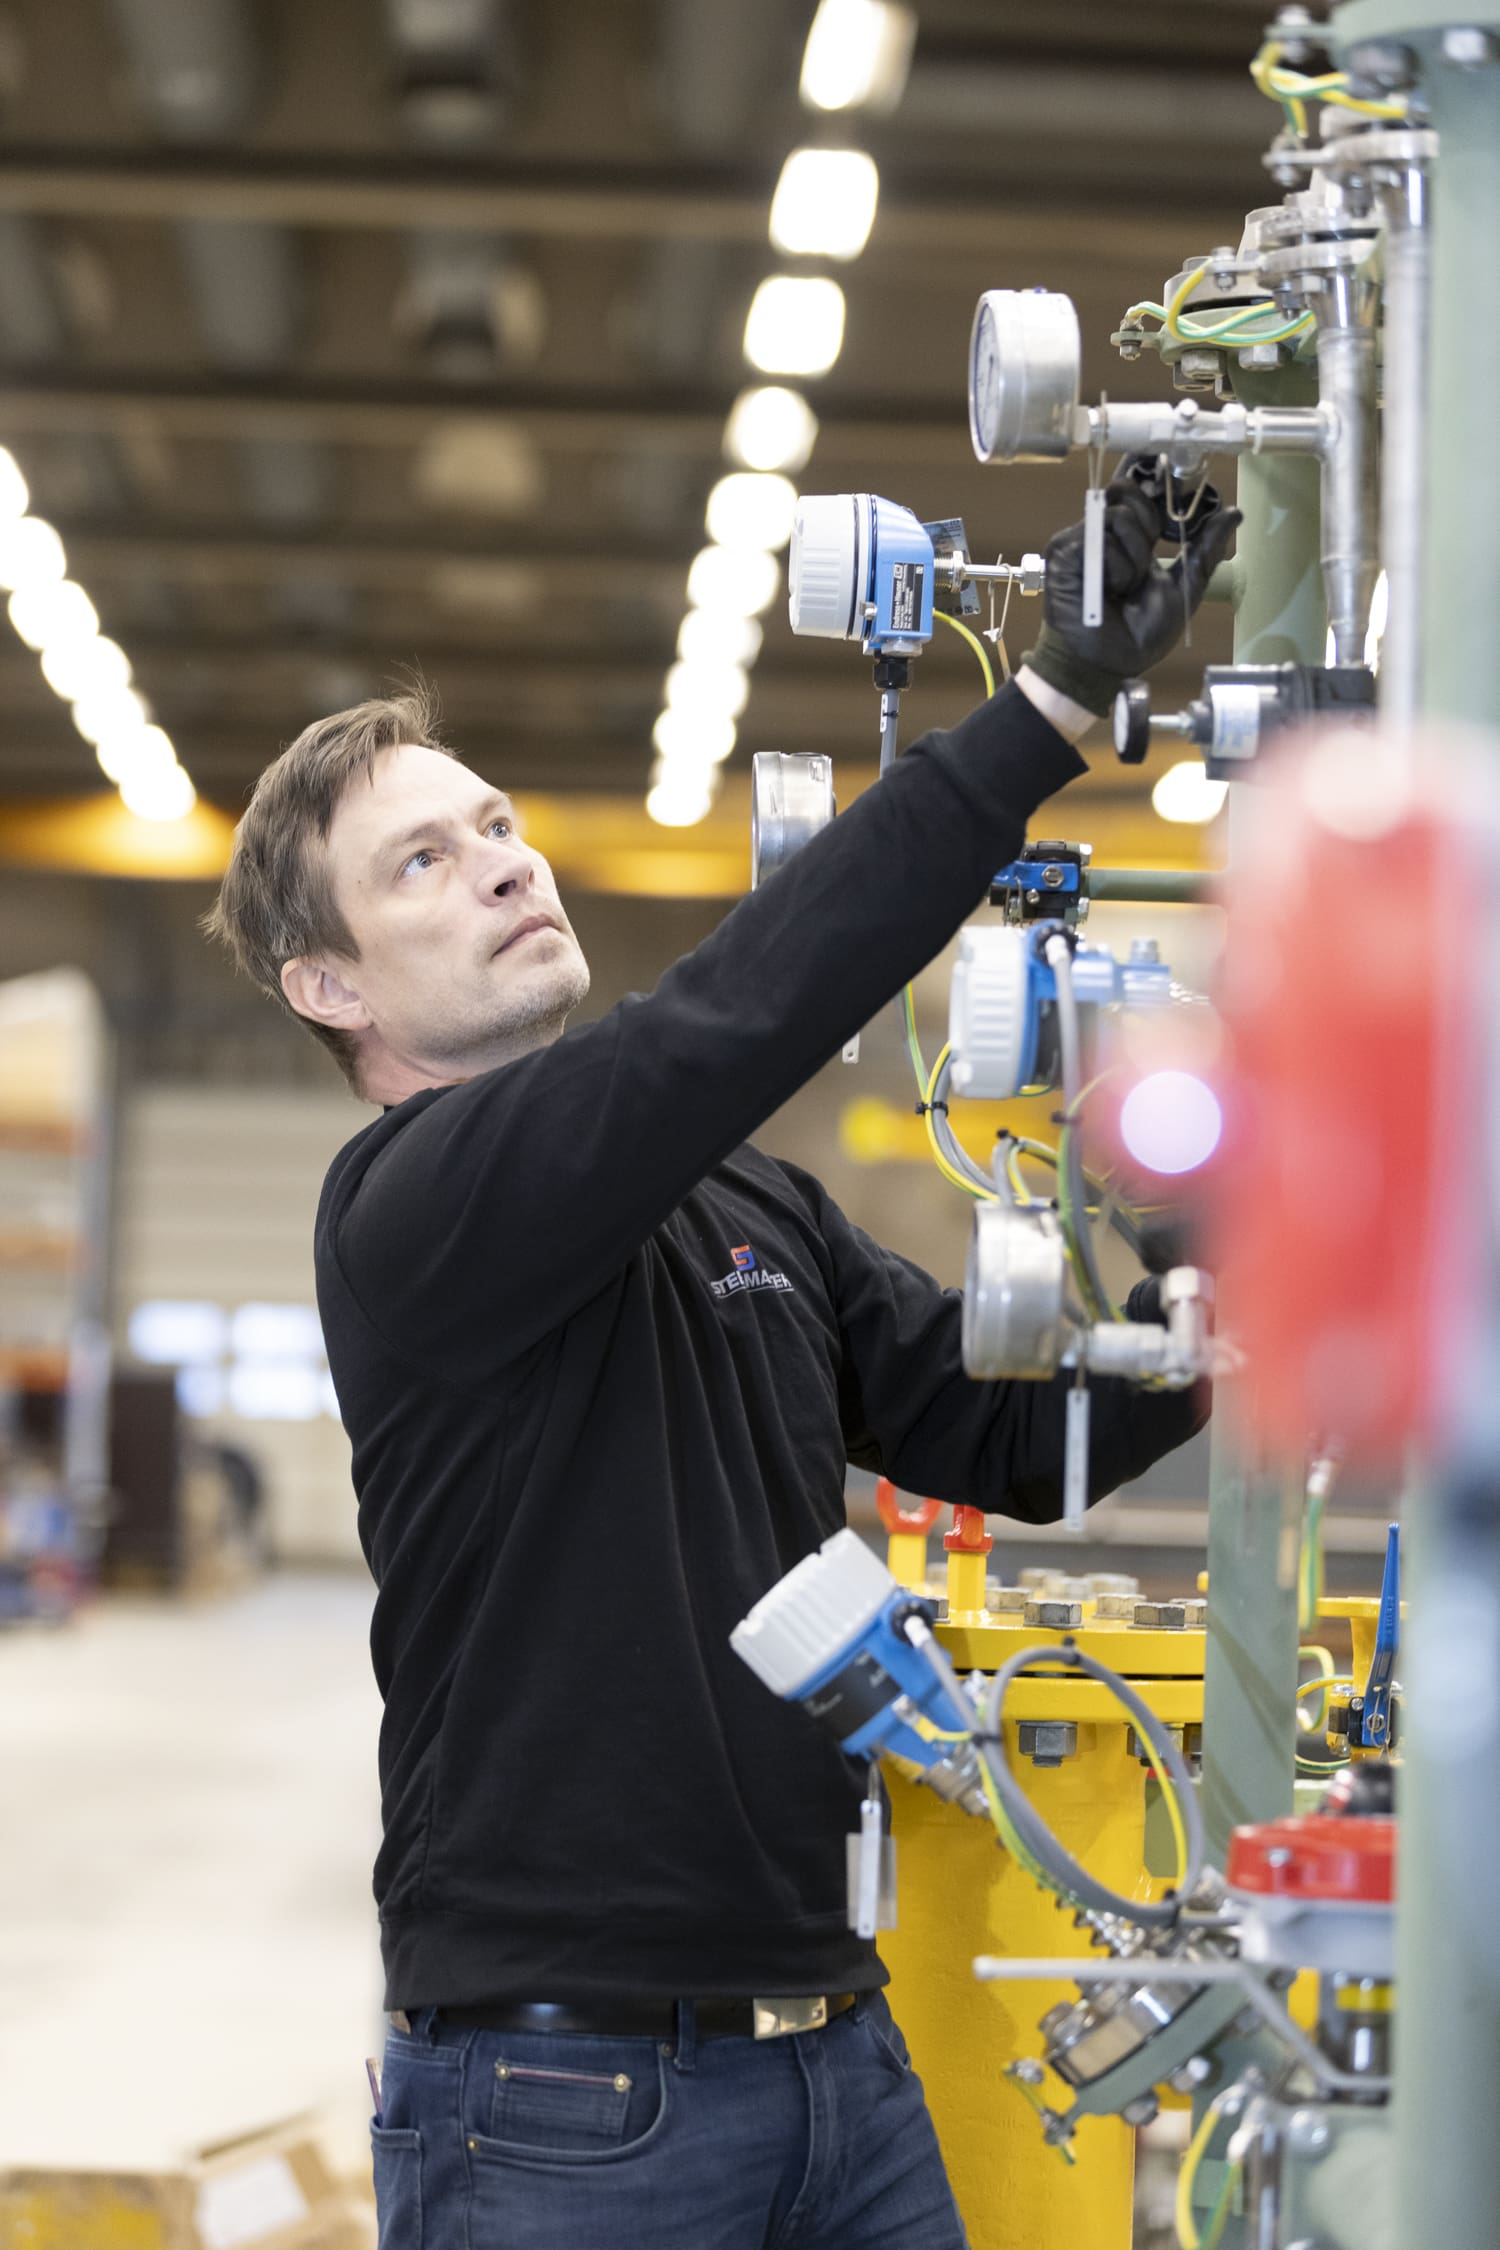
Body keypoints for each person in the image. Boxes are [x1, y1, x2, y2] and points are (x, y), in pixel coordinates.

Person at [205, 472, 1235, 2250]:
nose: (507, 859)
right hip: (562, 2106)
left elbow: (1012, 1443)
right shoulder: (414, 1210)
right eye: (423, 863)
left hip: (834, 2051)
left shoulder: (743, 1198)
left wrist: (1200, 1302)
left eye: (498, 820)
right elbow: (727, 1021)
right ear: (330, 989)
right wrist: (1047, 709)